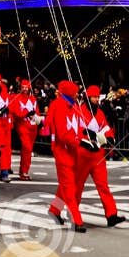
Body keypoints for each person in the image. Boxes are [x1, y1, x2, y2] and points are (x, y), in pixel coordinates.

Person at [76, 85, 126, 228]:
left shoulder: (100, 113)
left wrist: (110, 138)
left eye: (98, 97)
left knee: (103, 185)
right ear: (88, 98)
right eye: (94, 97)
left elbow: (106, 129)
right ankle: (73, 213)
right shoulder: (79, 111)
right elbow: (78, 131)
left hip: (98, 155)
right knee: (78, 186)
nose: (97, 100)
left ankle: (111, 215)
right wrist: (88, 136)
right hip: (83, 154)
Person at [45, 80, 87, 232]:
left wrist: (89, 137)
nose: (77, 94)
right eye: (75, 91)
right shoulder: (58, 106)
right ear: (69, 92)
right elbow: (63, 134)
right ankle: (77, 220)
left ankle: (55, 210)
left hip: (72, 149)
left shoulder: (74, 106)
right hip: (62, 150)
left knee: (67, 182)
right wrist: (80, 142)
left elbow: (80, 126)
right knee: (69, 185)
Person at [10, 77, 40, 180]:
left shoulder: (33, 99)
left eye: (27, 87)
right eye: (23, 87)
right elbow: (15, 112)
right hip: (22, 126)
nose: (25, 89)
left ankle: (24, 171)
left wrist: (38, 120)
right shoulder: (16, 98)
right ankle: (23, 172)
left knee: (28, 150)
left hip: (33, 127)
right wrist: (26, 114)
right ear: (20, 87)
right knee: (26, 147)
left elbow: (37, 112)